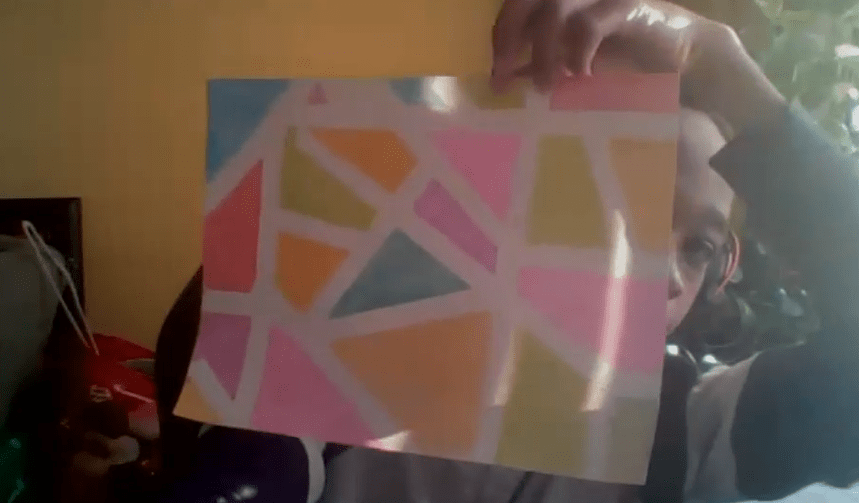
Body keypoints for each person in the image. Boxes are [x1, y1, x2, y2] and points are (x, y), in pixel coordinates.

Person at [154, 1, 859, 501]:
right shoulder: (352, 366)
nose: (666, 274)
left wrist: (722, 67)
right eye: (612, 205)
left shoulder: (690, 427)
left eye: (699, 246)